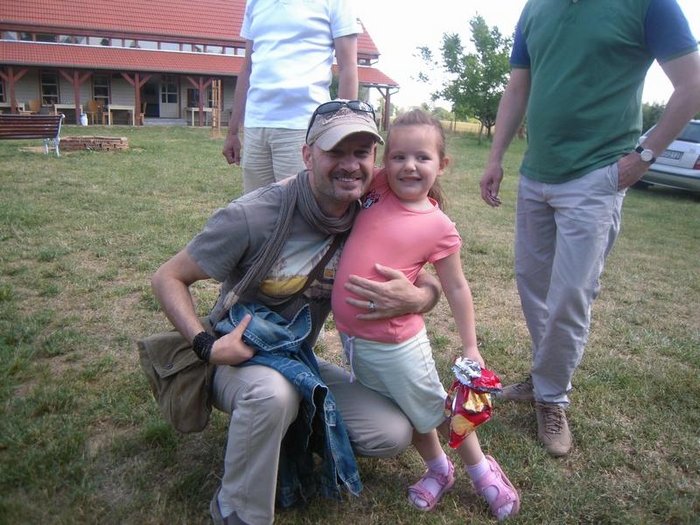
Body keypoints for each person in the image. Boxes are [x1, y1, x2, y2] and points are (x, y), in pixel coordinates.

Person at [151, 100, 441, 525]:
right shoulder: (255, 215)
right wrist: (207, 346)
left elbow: (430, 276)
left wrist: (420, 299)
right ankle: (238, 512)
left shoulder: (367, 213)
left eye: (361, 152)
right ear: (307, 155)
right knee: (274, 395)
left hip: (297, 358)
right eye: (335, 151)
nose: (350, 165)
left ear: (374, 159)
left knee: (390, 432)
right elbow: (168, 277)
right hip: (238, 358)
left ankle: (285, 432)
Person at [479, 0, 700, 458]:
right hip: (536, 174)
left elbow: (692, 83)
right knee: (533, 286)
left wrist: (645, 157)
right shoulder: (536, 8)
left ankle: (552, 397)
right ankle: (545, 377)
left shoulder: (649, 4)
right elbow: (518, 87)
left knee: (569, 296)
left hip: (597, 176)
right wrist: (496, 157)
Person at [332, 109, 520, 521]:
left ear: (442, 164)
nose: (409, 166)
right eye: (398, 156)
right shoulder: (378, 186)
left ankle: (484, 474)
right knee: (408, 411)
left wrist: (470, 346)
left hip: (397, 345)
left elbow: (456, 287)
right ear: (385, 162)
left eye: (422, 157)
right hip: (356, 342)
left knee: (437, 412)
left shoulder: (438, 225)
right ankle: (439, 470)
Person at [222, 0, 360, 194]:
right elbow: (247, 69)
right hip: (256, 126)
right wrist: (232, 132)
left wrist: (343, 133)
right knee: (256, 207)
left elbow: (348, 68)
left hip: (303, 126)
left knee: (300, 207)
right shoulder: (254, 3)